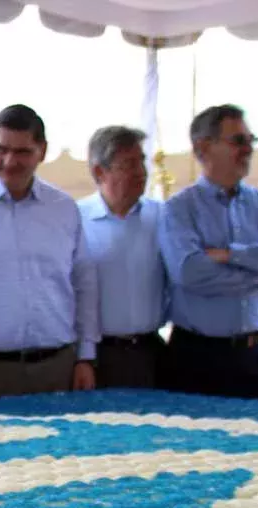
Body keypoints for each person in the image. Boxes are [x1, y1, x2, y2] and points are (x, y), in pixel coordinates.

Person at [0, 104, 97, 401]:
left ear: (42, 150)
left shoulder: (63, 208)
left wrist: (85, 356)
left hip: (55, 371)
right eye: (1, 149)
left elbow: (83, 284)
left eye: (22, 152)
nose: (9, 161)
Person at [158, 104, 258, 401]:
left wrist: (231, 255)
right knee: (188, 447)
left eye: (250, 141)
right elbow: (189, 273)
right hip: (197, 359)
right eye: (238, 141)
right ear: (203, 147)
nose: (248, 150)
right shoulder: (179, 209)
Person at [79, 125, 168, 389]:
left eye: (142, 162)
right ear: (99, 171)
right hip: (98, 356)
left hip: (151, 353)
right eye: (129, 164)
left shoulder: (162, 217)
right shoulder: (74, 220)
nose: (141, 172)